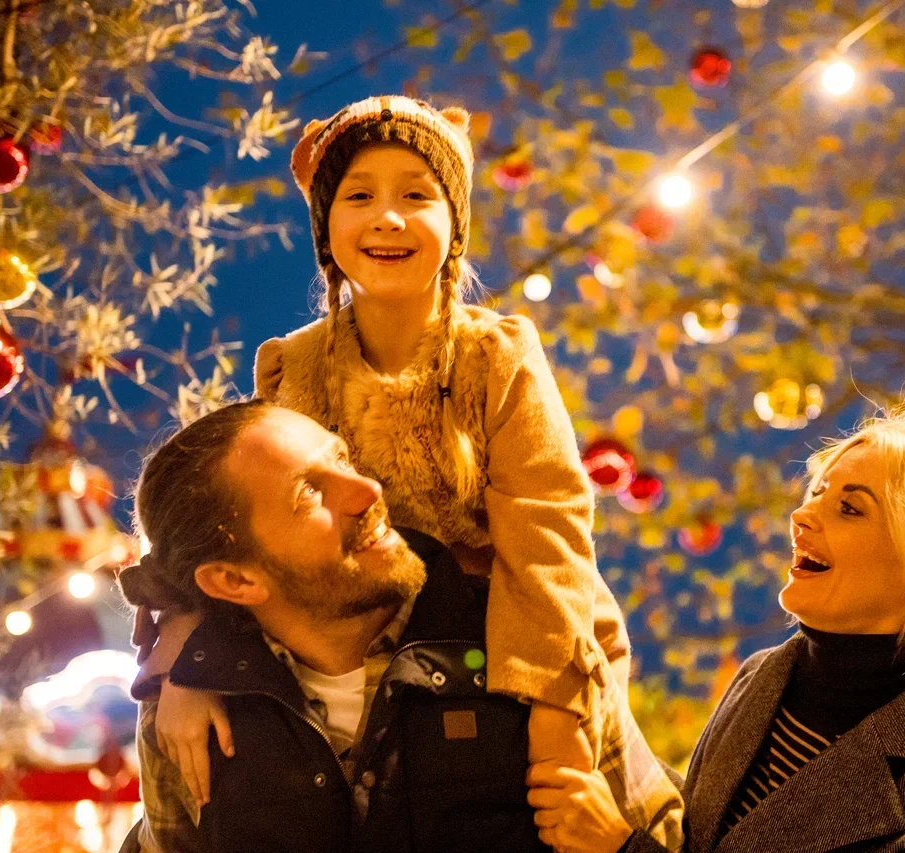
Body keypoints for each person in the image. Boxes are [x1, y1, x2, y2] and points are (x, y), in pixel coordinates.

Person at [132, 94, 682, 849]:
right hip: (354, 625)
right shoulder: (292, 363)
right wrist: (185, 663)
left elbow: (547, 526)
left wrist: (556, 715)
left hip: (511, 628)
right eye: (359, 196)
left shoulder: (496, 357)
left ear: (455, 226)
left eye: (416, 195)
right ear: (326, 229)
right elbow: (234, 527)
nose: (387, 217)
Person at [526, 407, 905, 853]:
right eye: (817, 493)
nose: (803, 515)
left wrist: (620, 847)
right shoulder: (766, 675)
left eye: (850, 508)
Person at [117, 400, 682, 853]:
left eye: (342, 460)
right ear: (235, 582)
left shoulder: (534, 645)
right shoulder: (187, 707)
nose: (367, 491)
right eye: (310, 492)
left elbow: (665, 833)